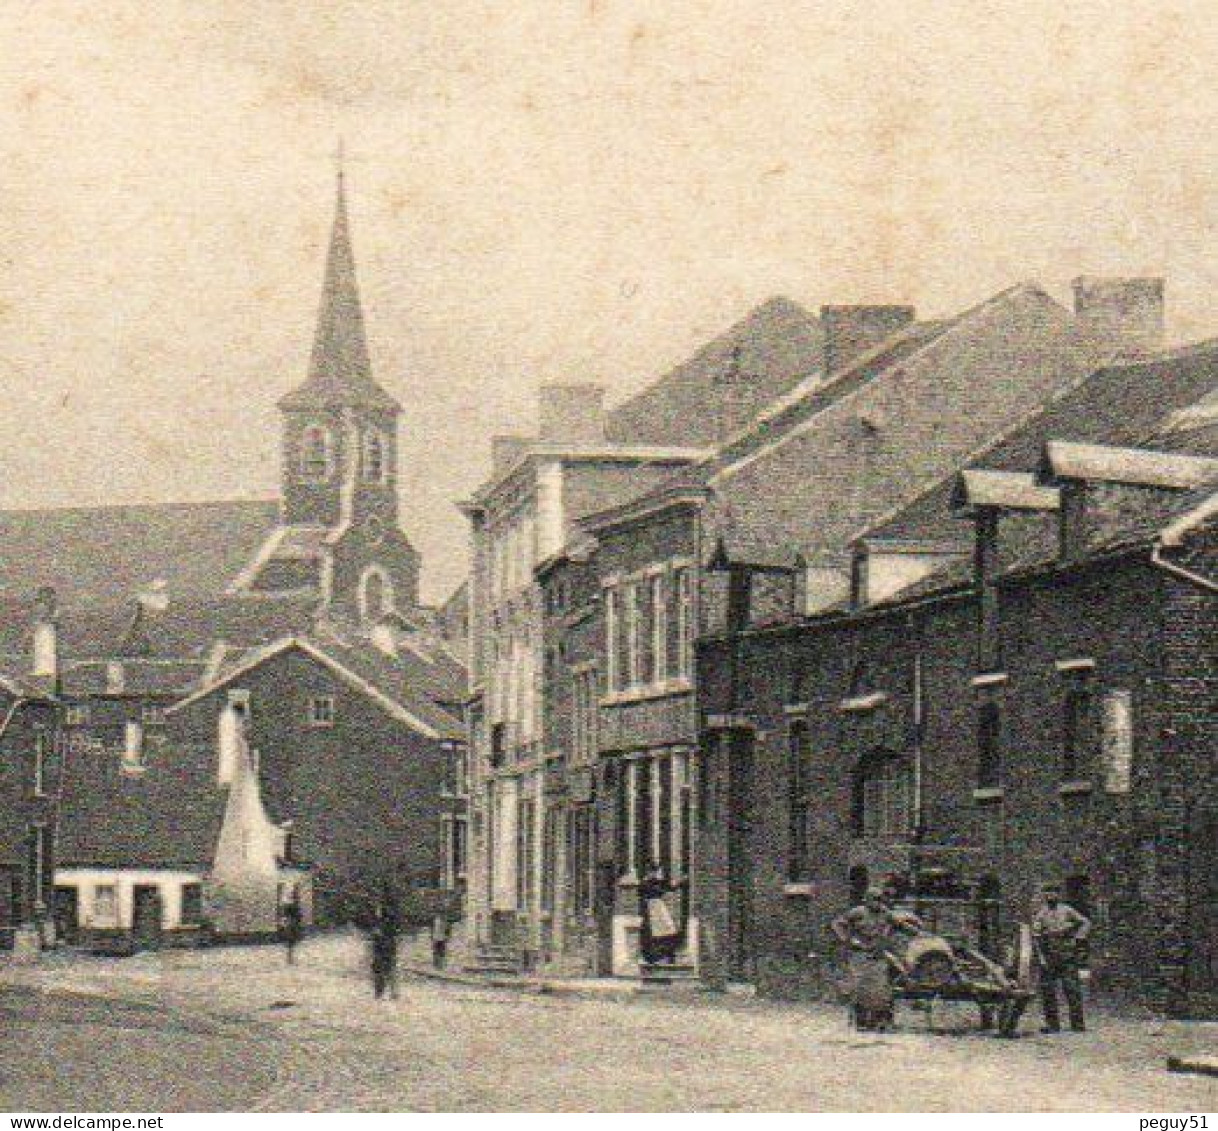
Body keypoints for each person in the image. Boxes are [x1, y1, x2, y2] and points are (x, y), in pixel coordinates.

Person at [831, 886, 906, 1031]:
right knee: (860, 987)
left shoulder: (885, 912)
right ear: (868, 900)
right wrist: (848, 939)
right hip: (859, 953)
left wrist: (919, 933)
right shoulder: (858, 912)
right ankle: (861, 1021)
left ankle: (879, 1021)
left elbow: (900, 924)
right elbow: (837, 924)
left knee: (880, 987)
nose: (877, 903)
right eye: (874, 900)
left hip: (877, 953)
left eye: (879, 899)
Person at [1032, 882, 1091, 1033]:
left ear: (1059, 895)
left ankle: (1078, 1024)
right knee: (1048, 992)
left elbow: (1085, 922)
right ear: (1044, 896)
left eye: (1054, 892)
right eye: (1047, 892)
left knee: (1072, 990)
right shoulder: (1041, 914)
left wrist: (1079, 937)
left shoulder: (1067, 910)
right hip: (1049, 957)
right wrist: (1042, 958)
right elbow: (1036, 938)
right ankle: (1053, 1025)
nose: (1050, 895)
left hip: (1067, 956)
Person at [638, 862, 680, 965]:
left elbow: (668, 887)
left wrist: (676, 884)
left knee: (667, 930)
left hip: (658, 907)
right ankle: (657, 957)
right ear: (651, 872)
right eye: (656, 872)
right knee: (657, 932)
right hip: (653, 908)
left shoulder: (655, 882)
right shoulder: (646, 883)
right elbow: (657, 891)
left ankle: (666, 956)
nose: (658, 874)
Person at [368, 891, 401, 1000]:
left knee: (387, 967)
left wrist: (379, 933)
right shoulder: (379, 917)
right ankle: (381, 992)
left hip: (386, 944)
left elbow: (392, 930)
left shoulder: (387, 917)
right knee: (382, 968)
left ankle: (389, 991)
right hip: (382, 945)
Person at [280, 891, 303, 966]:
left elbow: (284, 916)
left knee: (290, 943)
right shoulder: (294, 906)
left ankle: (290, 959)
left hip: (290, 925)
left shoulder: (287, 906)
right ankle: (290, 959)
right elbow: (299, 917)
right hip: (293, 925)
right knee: (291, 943)